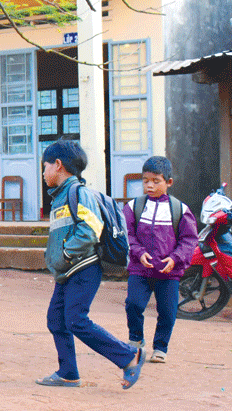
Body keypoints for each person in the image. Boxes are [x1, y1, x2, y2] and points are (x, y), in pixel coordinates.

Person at [36, 139, 145, 389]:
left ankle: (130, 356)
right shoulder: (59, 197)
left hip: (83, 268)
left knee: (76, 320)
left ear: (58, 165)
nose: (43, 173)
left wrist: (64, 254)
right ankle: (68, 373)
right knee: (56, 320)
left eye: (45, 166)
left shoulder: (78, 193)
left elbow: (90, 229)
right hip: (68, 272)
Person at [123, 156, 198, 364]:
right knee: (133, 304)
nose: (150, 185)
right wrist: (138, 252)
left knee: (167, 311)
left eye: (156, 181)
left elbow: (189, 240)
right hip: (140, 270)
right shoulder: (133, 207)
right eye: (146, 180)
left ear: (169, 182)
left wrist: (175, 259)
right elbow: (126, 234)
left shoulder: (180, 210)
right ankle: (136, 342)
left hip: (169, 273)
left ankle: (160, 348)